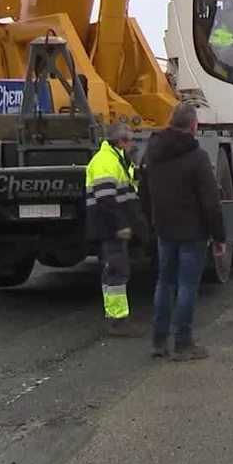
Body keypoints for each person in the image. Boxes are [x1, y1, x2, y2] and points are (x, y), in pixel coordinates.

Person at [143, 103, 227, 360]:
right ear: (193, 126)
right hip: (193, 231)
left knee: (164, 282)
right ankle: (182, 342)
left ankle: (158, 341)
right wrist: (219, 237)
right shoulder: (196, 156)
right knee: (187, 285)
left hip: (164, 229)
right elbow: (210, 202)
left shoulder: (152, 152)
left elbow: (144, 191)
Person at [85, 123, 147, 337]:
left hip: (109, 226)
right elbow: (106, 200)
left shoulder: (115, 159)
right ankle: (117, 320)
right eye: (130, 141)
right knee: (116, 271)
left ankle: (116, 317)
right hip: (109, 228)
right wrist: (120, 225)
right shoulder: (105, 161)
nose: (132, 145)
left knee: (114, 271)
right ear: (121, 141)